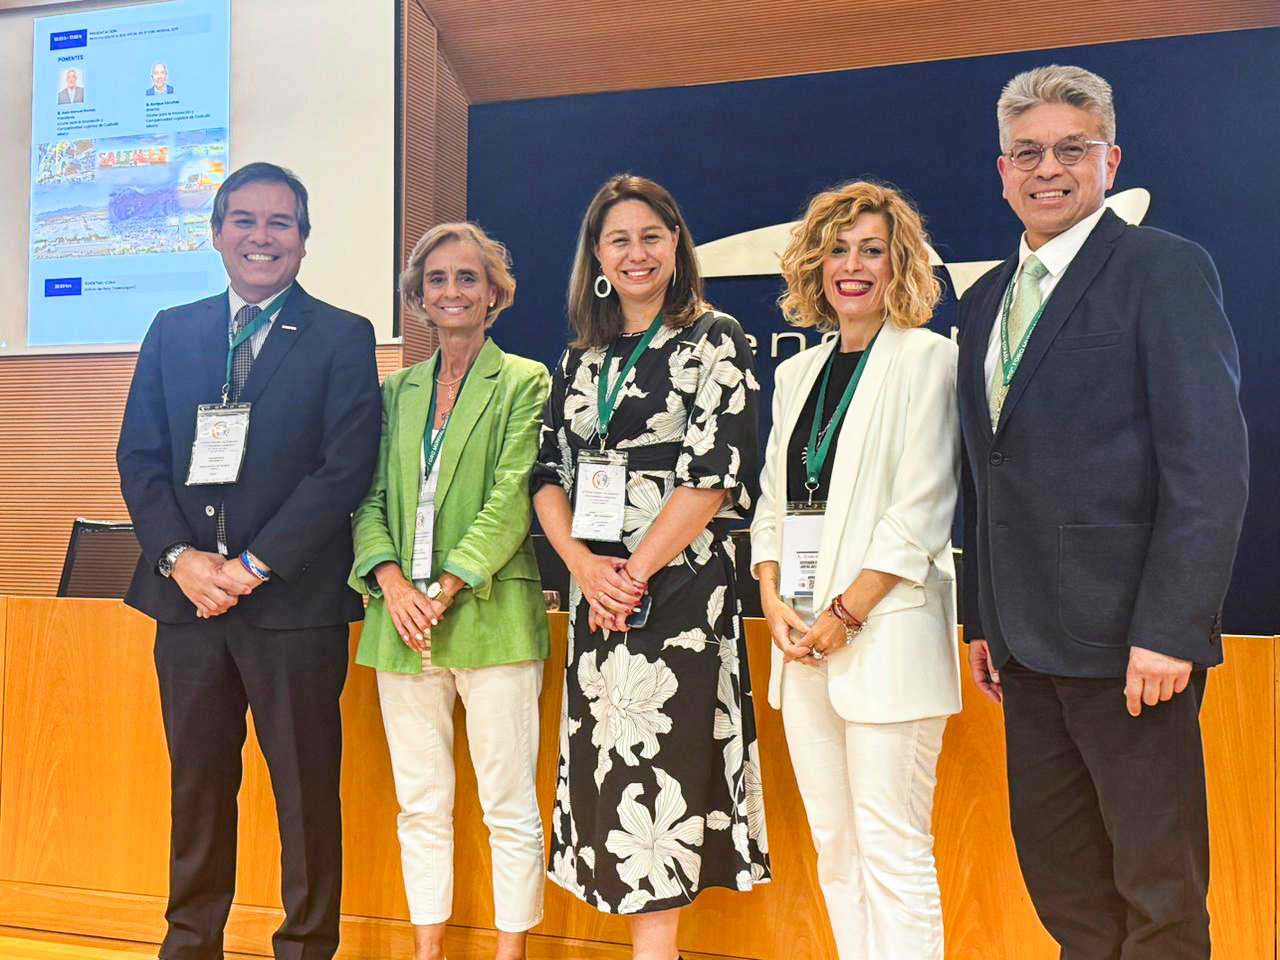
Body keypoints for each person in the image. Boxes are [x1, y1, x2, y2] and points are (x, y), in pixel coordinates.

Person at [957, 65, 1249, 959]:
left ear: (1110, 161)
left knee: (1159, 893)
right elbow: (984, 472)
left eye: (1071, 149)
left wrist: (1170, 629)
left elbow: (1208, 466)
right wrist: (981, 618)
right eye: (1027, 153)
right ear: (1002, 171)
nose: (1048, 169)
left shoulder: (1162, 270)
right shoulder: (982, 301)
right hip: (1022, 650)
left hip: (1132, 650)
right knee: (1065, 887)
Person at [116, 161, 381, 960]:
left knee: (305, 793)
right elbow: (140, 458)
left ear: (303, 239)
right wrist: (179, 560)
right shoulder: (173, 330)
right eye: (245, 220)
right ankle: (190, 942)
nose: (261, 237)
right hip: (187, 606)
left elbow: (345, 468)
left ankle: (305, 947)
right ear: (216, 233)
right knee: (197, 788)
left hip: (292, 607)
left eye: (280, 223)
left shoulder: (341, 335)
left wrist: (255, 565)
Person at [531, 174, 769, 958]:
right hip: (595, 599)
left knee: (662, 779)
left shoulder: (716, 338)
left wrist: (629, 575)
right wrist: (582, 568)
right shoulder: (579, 359)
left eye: (650, 237)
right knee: (613, 780)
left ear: (676, 246)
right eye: (619, 240)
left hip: (678, 597)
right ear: (597, 257)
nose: (636, 253)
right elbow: (546, 476)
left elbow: (715, 475)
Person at [750, 181, 961, 958]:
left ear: (899, 263)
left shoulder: (929, 359)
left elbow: (922, 509)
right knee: (837, 854)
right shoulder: (796, 374)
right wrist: (772, 595)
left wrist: (845, 614)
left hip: (884, 638)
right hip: (801, 643)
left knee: (893, 851)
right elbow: (773, 500)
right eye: (838, 250)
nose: (852, 266)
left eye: (872, 250)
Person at [349, 223, 550, 960]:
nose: (452, 291)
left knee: (508, 804)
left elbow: (514, 495)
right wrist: (392, 580)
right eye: (437, 278)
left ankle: (509, 951)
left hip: (492, 613)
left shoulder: (525, 380)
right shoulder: (394, 392)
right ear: (418, 295)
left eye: (469, 277)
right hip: (401, 621)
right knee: (420, 803)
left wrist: (447, 583)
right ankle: (426, 949)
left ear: (495, 293)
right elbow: (365, 497)